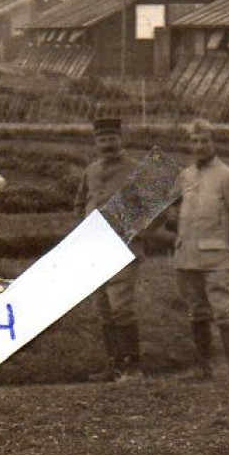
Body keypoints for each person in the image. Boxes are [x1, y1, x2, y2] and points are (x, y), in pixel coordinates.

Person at [166, 119, 229, 378]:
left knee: (223, 311)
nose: (200, 145)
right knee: (196, 311)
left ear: (213, 142)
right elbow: (170, 206)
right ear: (190, 144)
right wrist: (175, 224)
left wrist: (225, 242)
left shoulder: (228, 176)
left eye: (204, 140)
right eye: (194, 141)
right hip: (186, 256)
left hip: (216, 257)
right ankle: (204, 369)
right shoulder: (185, 176)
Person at [76, 116, 144, 380]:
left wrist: (134, 232)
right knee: (103, 307)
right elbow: (80, 201)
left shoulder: (136, 169)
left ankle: (134, 368)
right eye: (102, 139)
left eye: (112, 139)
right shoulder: (91, 170)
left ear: (121, 139)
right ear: (95, 141)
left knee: (121, 307)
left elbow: (155, 212)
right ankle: (114, 366)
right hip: (95, 250)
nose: (107, 144)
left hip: (123, 248)